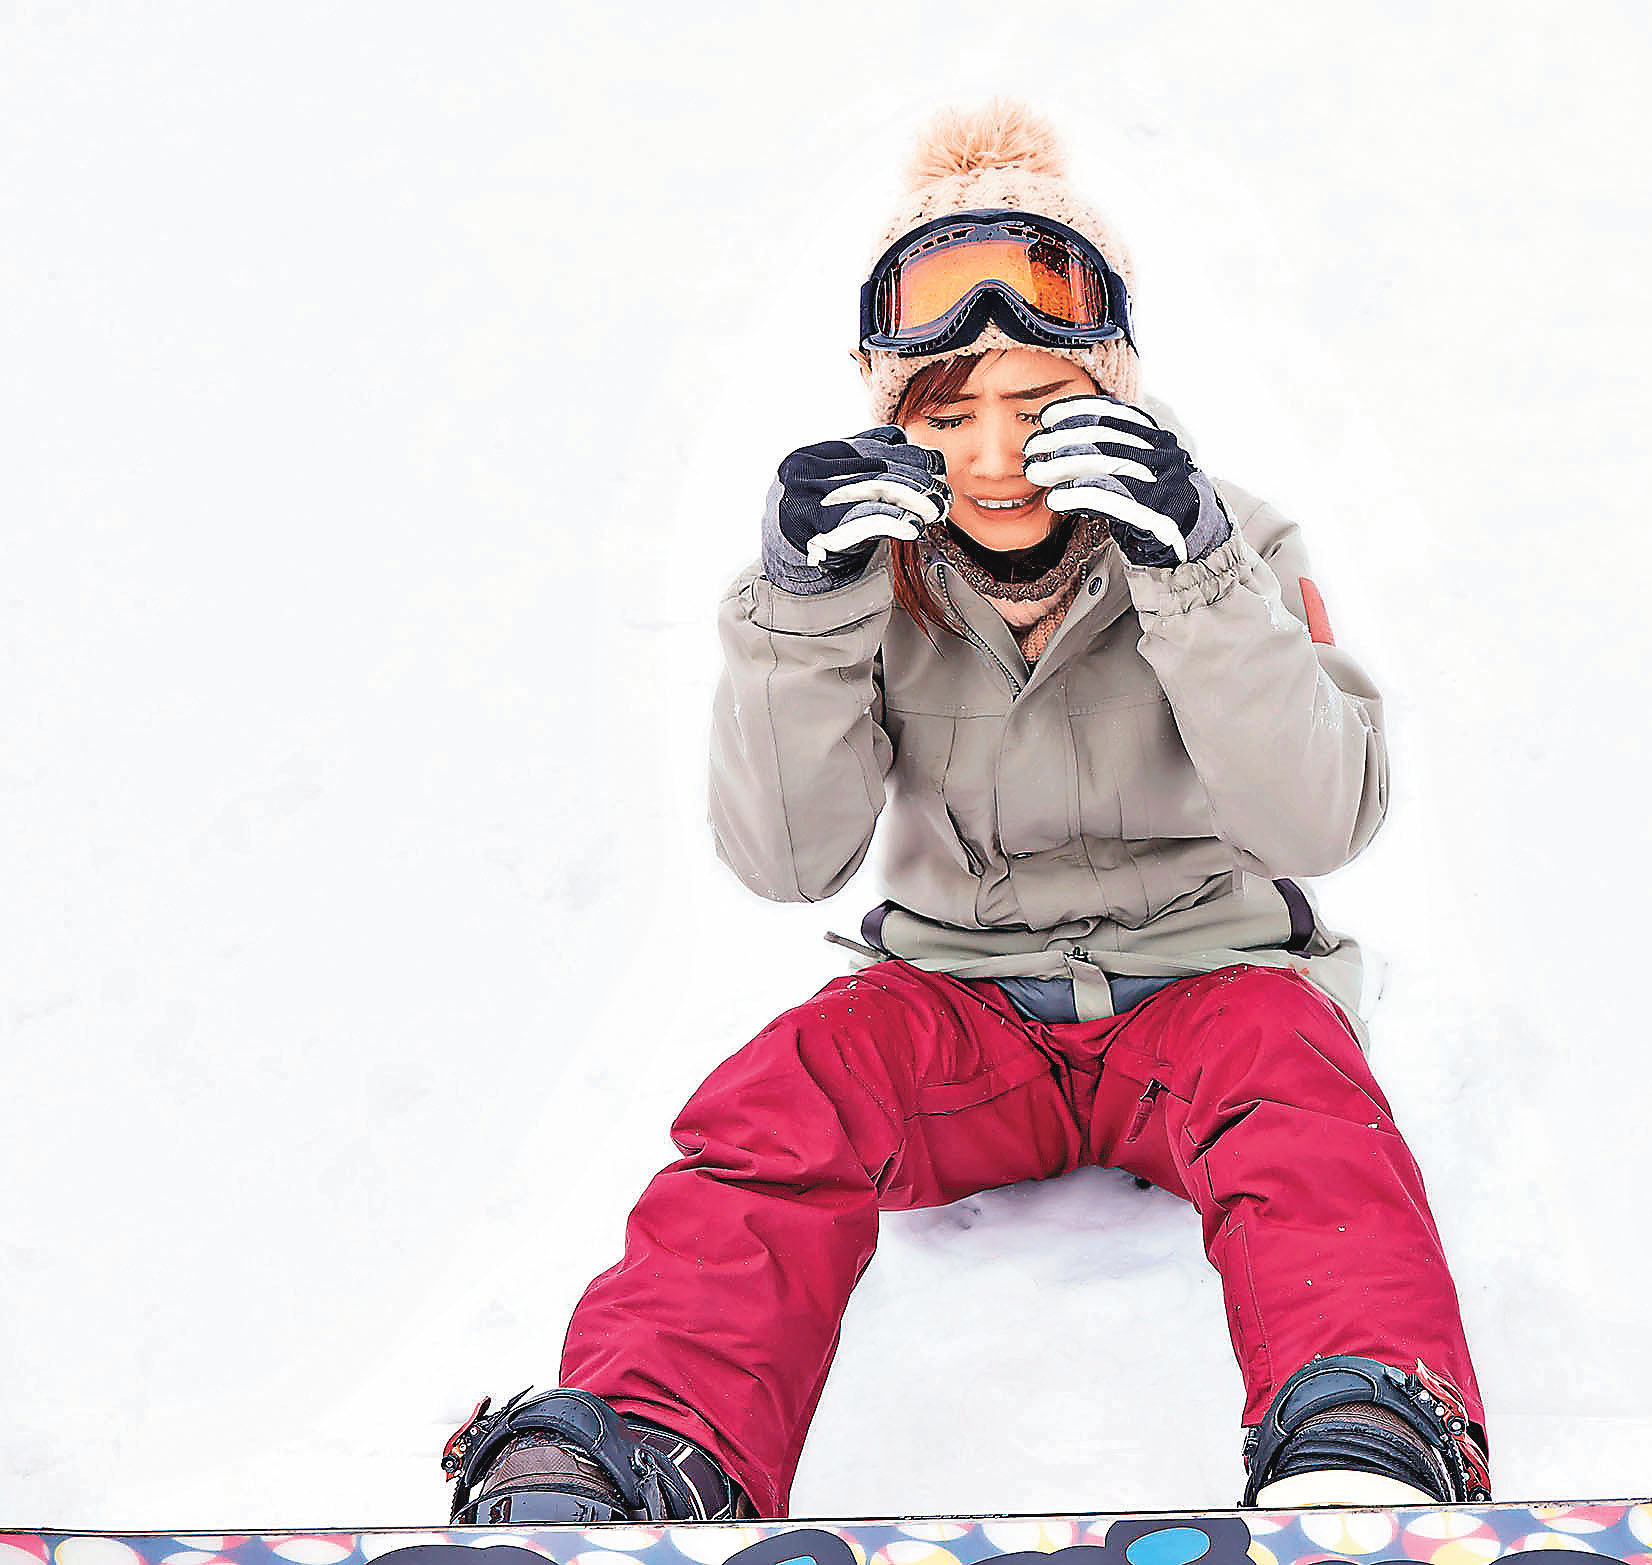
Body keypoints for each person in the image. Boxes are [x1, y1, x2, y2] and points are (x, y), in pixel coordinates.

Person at [441, 98, 1489, 1525]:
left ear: (1109, 393)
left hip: (1208, 988)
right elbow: (784, 856)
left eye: (1040, 404)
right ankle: (642, 1437)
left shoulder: (1227, 537)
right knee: (786, 1087)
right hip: (959, 1012)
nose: (994, 456)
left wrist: (1193, 578)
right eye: (949, 412)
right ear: (893, 418)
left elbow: (1316, 821)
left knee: (1302, 1096)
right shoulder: (866, 566)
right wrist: (801, 617)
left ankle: (1364, 1424)